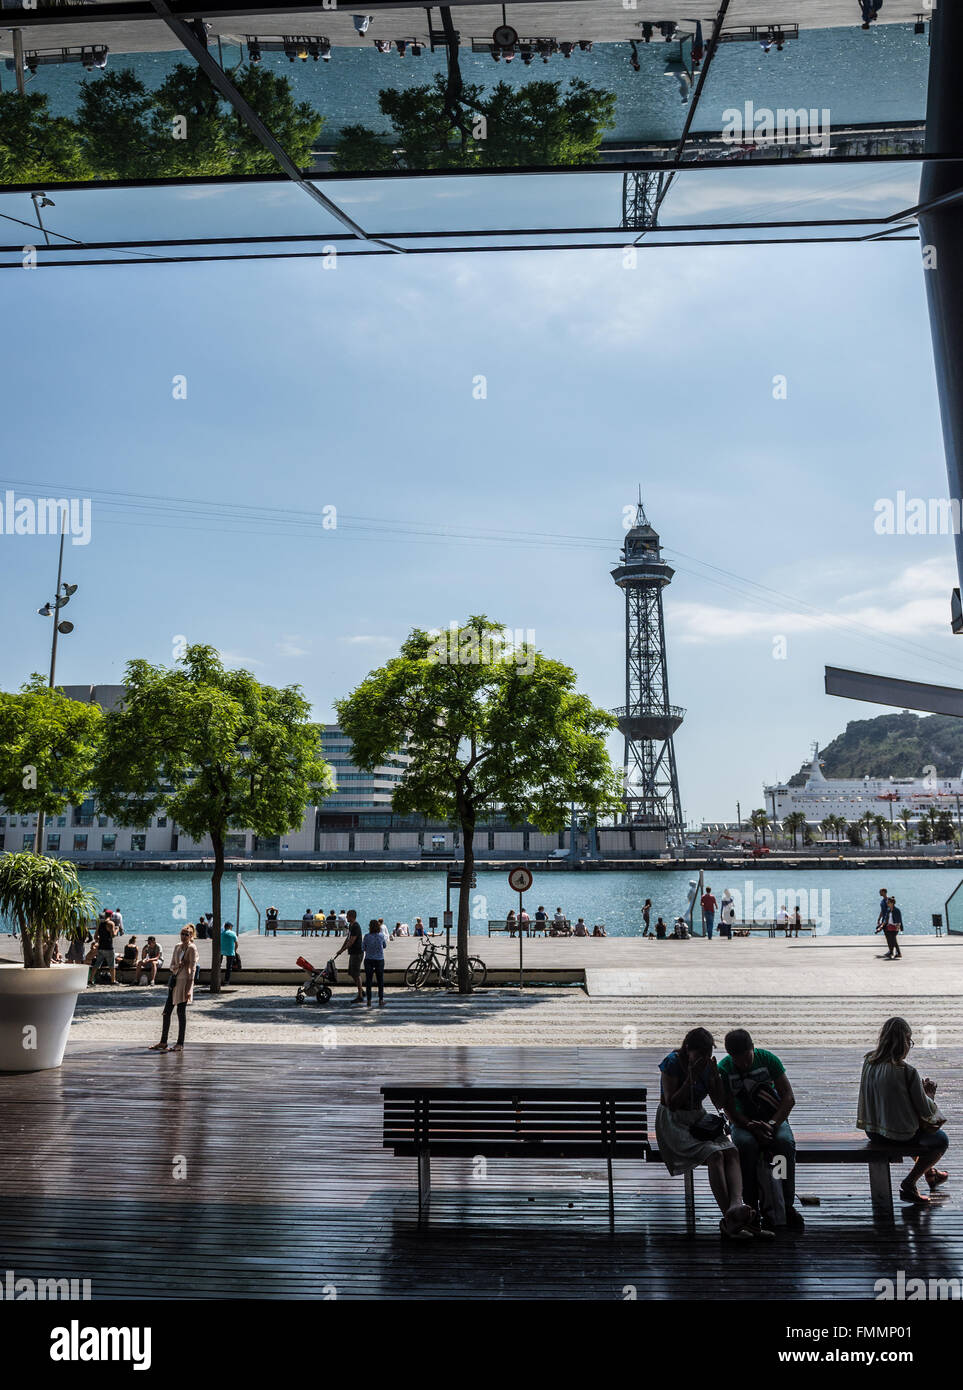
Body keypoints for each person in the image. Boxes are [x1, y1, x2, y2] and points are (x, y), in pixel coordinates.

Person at [656, 1027, 752, 1239]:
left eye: (708, 1055)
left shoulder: (707, 1066)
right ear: (688, 1049)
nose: (704, 1059)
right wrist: (690, 1078)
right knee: (714, 1154)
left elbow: (719, 1102)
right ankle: (730, 1220)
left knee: (732, 1151)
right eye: (700, 1054)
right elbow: (671, 1104)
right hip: (674, 1122)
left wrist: (715, 1079)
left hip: (698, 1118)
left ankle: (736, 1205)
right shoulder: (672, 1063)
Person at [719, 1029, 804, 1233]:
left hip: (773, 1118)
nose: (744, 1064)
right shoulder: (724, 1069)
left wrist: (772, 1124)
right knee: (745, 1146)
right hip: (742, 1123)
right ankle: (750, 1205)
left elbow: (788, 1097)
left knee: (783, 1145)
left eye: (747, 1058)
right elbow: (728, 1109)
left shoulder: (768, 1060)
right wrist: (750, 1126)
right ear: (731, 1056)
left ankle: (785, 1201)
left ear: (753, 1049)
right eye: (738, 1061)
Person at [857, 1017, 948, 1204]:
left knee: (910, 1127)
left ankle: (930, 1173)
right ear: (902, 1041)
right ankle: (909, 1183)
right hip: (896, 1135)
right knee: (939, 1139)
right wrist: (929, 1095)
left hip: (873, 1131)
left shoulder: (869, 1061)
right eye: (909, 1040)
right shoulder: (907, 1072)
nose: (909, 1045)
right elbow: (925, 1111)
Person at [149, 926, 197, 1052]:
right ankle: (163, 1042)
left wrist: (188, 989)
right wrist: (178, 965)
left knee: (181, 1013)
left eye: (187, 934)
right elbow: (171, 966)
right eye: (183, 933)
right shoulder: (177, 947)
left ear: (191, 936)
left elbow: (193, 969)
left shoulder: (192, 948)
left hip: (184, 982)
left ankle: (180, 1043)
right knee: (166, 1012)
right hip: (175, 980)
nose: (184, 936)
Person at [335, 912, 366, 1003]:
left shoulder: (356, 926)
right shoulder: (351, 926)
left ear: (352, 917)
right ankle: (362, 991)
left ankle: (360, 995)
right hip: (353, 953)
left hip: (357, 953)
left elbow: (352, 941)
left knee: (356, 973)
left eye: (348, 916)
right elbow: (348, 938)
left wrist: (343, 950)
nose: (346, 917)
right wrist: (341, 949)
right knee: (352, 973)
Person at [362, 918, 386, 1008]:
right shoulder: (381, 936)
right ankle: (381, 1000)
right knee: (380, 980)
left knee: (369, 981)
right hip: (379, 960)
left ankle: (369, 1001)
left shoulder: (367, 936)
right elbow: (384, 946)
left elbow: (363, 948)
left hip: (368, 960)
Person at [90, 911, 117, 985]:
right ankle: (113, 981)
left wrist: (101, 939)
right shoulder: (111, 923)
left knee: (97, 964)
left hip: (101, 947)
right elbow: (113, 935)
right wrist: (117, 929)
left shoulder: (100, 924)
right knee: (112, 965)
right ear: (111, 916)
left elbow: (95, 936)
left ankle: (91, 979)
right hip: (108, 947)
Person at [878, 895, 903, 959]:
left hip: (895, 927)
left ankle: (898, 952)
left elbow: (899, 920)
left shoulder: (897, 910)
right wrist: (881, 926)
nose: (887, 904)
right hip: (889, 927)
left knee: (893, 940)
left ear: (892, 903)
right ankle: (891, 952)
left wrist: (897, 928)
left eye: (888, 903)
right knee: (889, 940)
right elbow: (886, 919)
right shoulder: (888, 910)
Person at [220, 920, 238, 984]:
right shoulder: (233, 933)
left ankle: (218, 979)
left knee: (219, 965)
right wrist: (235, 951)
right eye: (232, 926)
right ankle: (226, 981)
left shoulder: (221, 933)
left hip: (221, 950)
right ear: (230, 927)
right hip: (230, 951)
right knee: (229, 967)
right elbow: (236, 943)